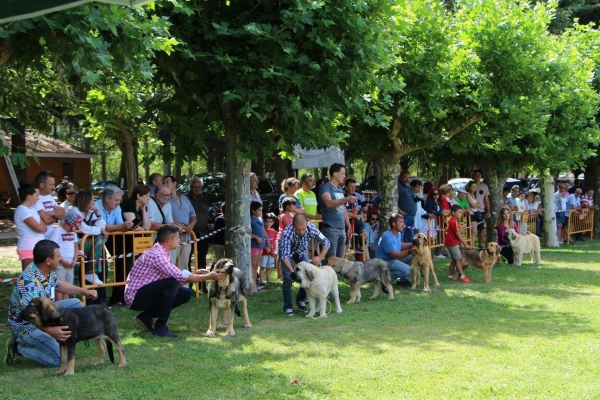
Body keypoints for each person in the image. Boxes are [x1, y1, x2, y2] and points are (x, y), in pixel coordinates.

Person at [5, 240, 98, 367]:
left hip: (43, 316)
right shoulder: (28, 283)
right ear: (48, 260)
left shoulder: (44, 271)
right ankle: (17, 347)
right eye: (58, 256)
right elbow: (30, 317)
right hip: (27, 328)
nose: (61, 259)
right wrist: (50, 330)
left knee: (76, 304)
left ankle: (63, 338)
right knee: (59, 360)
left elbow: (58, 284)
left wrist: (85, 292)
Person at [125, 225, 224, 338]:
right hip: (135, 297)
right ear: (169, 241)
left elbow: (175, 273)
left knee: (185, 293)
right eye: (177, 238)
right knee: (172, 283)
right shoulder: (158, 255)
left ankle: (146, 317)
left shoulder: (160, 251)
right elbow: (178, 276)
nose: (179, 240)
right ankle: (160, 327)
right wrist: (210, 276)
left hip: (142, 292)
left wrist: (195, 274)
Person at [108, 185, 153, 306]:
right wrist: (142, 228)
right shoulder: (128, 205)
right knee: (122, 269)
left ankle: (130, 295)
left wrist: (143, 210)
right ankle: (117, 298)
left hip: (133, 243)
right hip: (120, 242)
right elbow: (134, 227)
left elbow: (147, 227)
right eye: (146, 196)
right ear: (138, 196)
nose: (149, 198)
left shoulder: (142, 207)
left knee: (132, 269)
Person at [278, 214, 330, 316]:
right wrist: (292, 271)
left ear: (306, 224)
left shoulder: (311, 228)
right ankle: (288, 307)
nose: (301, 232)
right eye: (298, 230)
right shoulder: (287, 233)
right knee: (288, 278)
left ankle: (300, 300)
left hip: (301, 252)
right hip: (287, 254)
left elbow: (326, 242)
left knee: (309, 274)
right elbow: (284, 256)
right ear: (293, 225)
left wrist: (320, 257)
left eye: (303, 229)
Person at [71, 189, 108, 303]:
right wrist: (99, 230)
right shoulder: (74, 212)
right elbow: (82, 228)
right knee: (98, 238)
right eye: (92, 200)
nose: (94, 202)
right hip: (75, 243)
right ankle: (89, 273)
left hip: (86, 243)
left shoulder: (91, 212)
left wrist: (97, 213)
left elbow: (103, 225)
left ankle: (91, 272)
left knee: (98, 240)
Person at [320, 163, 354, 262]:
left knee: (339, 262)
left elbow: (343, 208)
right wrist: (346, 199)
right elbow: (329, 203)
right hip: (330, 229)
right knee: (330, 261)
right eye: (343, 173)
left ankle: (337, 278)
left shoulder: (340, 189)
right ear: (335, 174)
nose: (345, 176)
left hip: (341, 228)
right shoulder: (326, 188)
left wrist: (348, 225)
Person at [164, 176, 197, 269]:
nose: (165, 184)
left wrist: (191, 225)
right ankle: (171, 284)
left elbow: (193, 215)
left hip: (187, 237)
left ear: (175, 183)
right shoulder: (166, 199)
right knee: (170, 265)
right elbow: (164, 216)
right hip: (172, 237)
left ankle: (184, 284)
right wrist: (176, 224)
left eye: (167, 182)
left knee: (184, 265)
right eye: (164, 183)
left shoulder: (184, 198)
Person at [376, 213, 414, 287]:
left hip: (393, 260)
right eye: (401, 222)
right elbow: (395, 255)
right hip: (384, 263)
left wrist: (412, 244)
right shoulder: (387, 237)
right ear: (394, 224)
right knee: (408, 270)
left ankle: (402, 281)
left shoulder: (398, 233)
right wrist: (409, 251)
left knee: (412, 255)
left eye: (403, 222)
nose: (403, 224)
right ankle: (383, 280)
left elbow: (400, 246)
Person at [15, 184, 47, 270]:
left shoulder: (32, 209)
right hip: (28, 247)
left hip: (37, 246)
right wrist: (41, 226)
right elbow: (39, 228)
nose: (38, 198)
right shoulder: (22, 210)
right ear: (29, 196)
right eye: (36, 195)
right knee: (29, 277)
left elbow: (44, 228)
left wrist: (41, 226)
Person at [49, 212, 79, 301]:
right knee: (59, 286)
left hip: (70, 264)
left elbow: (76, 246)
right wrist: (62, 261)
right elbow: (53, 247)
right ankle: (60, 306)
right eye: (71, 227)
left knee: (68, 287)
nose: (72, 230)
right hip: (60, 264)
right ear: (66, 223)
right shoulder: (57, 231)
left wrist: (75, 259)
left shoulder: (73, 232)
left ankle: (67, 306)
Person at [188, 177, 214, 271]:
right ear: (190, 187)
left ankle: (202, 284)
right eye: (194, 187)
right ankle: (189, 283)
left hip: (203, 233)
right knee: (188, 258)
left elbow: (221, 197)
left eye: (199, 187)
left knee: (202, 258)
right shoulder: (186, 198)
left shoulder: (206, 197)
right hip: (189, 233)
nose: (197, 189)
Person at [33, 171, 66, 239]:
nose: (54, 187)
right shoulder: (34, 199)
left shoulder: (49, 197)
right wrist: (56, 216)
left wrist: (52, 213)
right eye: (51, 185)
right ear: (42, 185)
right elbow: (46, 220)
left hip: (51, 237)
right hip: (41, 239)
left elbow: (63, 214)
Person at [445, 205, 472, 282]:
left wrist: (460, 243)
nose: (461, 214)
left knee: (454, 260)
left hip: (451, 242)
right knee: (458, 259)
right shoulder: (453, 221)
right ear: (453, 213)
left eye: (461, 212)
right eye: (459, 212)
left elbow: (455, 234)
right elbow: (458, 235)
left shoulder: (453, 220)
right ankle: (462, 276)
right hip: (452, 243)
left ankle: (450, 276)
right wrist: (466, 244)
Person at [397, 171, 418, 243]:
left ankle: (408, 252)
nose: (407, 179)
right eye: (405, 177)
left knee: (410, 235)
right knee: (400, 234)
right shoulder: (396, 186)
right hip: (403, 215)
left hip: (411, 216)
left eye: (408, 178)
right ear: (400, 177)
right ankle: (398, 251)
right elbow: (391, 200)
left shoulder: (407, 186)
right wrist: (399, 210)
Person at [472, 170, 491, 248]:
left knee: (481, 229)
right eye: (476, 175)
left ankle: (480, 246)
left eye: (479, 175)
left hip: (481, 210)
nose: (477, 176)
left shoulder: (484, 186)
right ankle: (471, 246)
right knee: (473, 229)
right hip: (472, 210)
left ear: (481, 176)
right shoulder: (470, 185)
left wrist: (488, 210)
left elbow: (486, 199)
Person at [250, 201, 266, 292]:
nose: (260, 212)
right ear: (253, 210)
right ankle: (252, 283)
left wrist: (267, 239)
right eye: (259, 210)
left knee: (257, 265)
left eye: (261, 210)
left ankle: (255, 284)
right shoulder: (250, 220)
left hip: (261, 244)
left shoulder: (260, 219)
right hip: (254, 245)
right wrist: (256, 237)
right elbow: (247, 232)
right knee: (253, 264)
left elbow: (263, 230)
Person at [261, 213, 277, 284]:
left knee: (269, 268)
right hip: (264, 252)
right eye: (266, 221)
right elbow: (261, 240)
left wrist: (274, 249)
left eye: (270, 222)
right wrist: (265, 247)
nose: (268, 223)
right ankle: (261, 280)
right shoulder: (262, 230)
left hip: (271, 253)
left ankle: (269, 281)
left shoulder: (274, 231)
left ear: (273, 222)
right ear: (264, 221)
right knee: (262, 267)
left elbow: (275, 241)